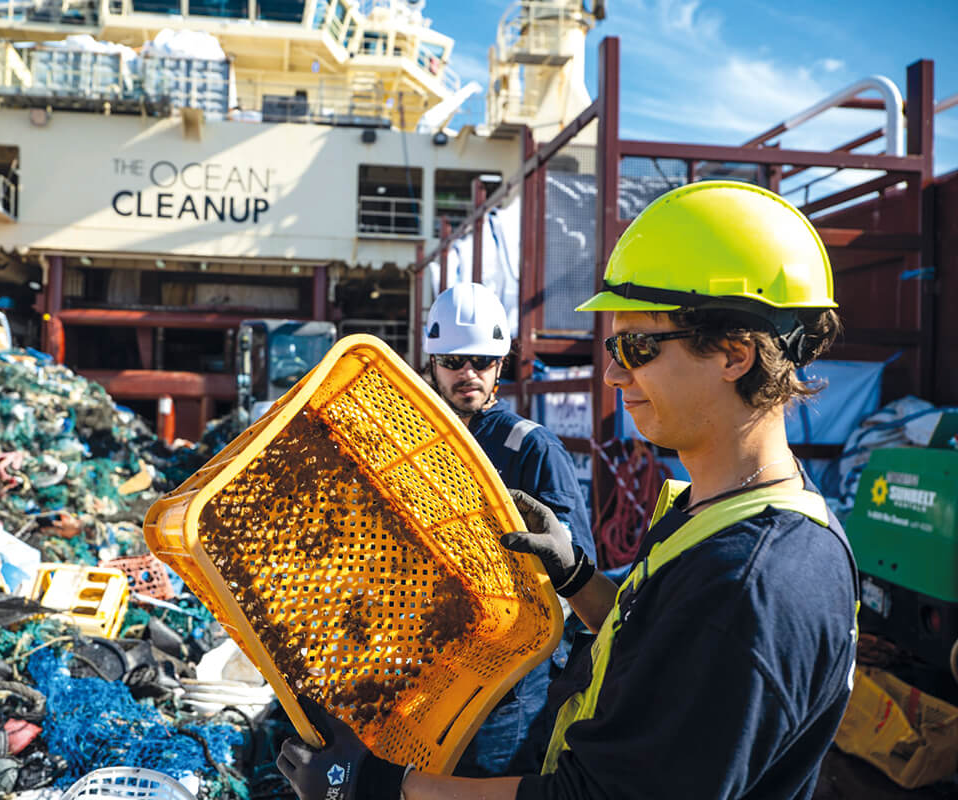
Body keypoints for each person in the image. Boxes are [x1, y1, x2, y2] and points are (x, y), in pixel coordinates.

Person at [277, 181, 859, 800]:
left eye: (636, 346)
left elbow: (595, 796)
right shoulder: (716, 515)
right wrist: (577, 575)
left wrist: (378, 786)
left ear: (735, 353)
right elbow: (651, 655)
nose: (612, 372)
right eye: (614, 347)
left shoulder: (750, 582)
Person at [422, 281, 595, 776]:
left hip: (513, 682)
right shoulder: (420, 442)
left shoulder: (533, 448)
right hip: (435, 662)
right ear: (433, 363)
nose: (468, 374)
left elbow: (575, 564)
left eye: (481, 361)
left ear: (501, 365)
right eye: (454, 361)